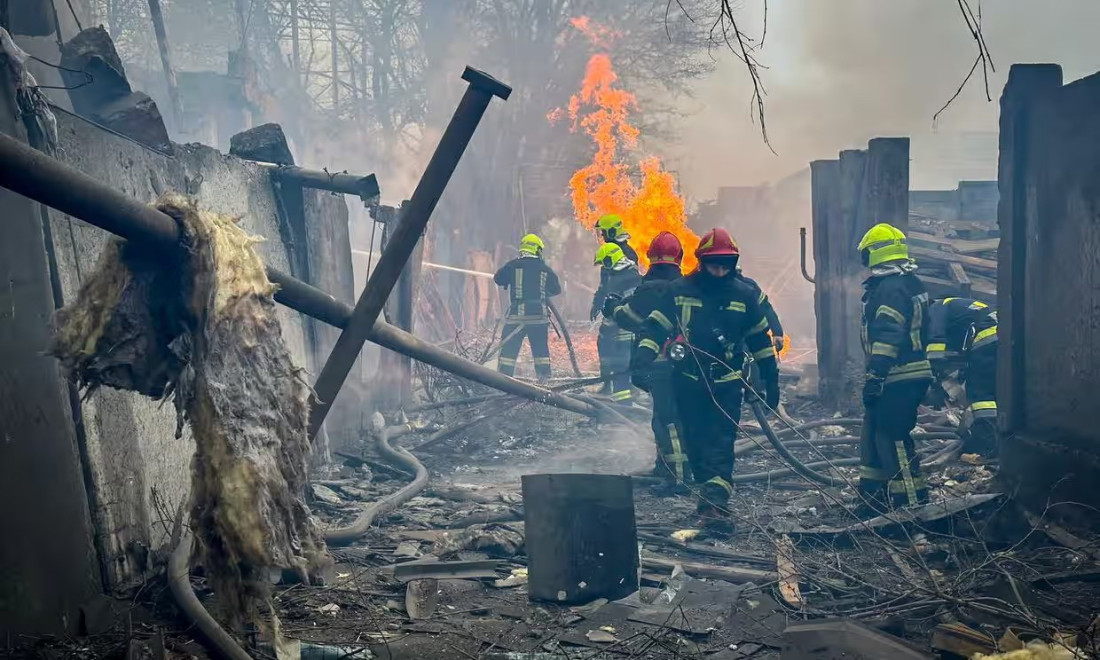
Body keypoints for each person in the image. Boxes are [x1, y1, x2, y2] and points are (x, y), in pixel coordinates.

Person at [632, 228, 780, 526]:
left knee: (721, 443)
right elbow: (656, 327)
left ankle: (715, 504)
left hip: (726, 384)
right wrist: (642, 357)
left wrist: (770, 379)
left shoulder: (744, 295)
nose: (720, 271)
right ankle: (708, 499)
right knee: (695, 444)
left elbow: (759, 341)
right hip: (687, 382)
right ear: (701, 261)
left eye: (726, 265)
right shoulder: (680, 290)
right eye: (714, 264)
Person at [856, 223, 934, 513]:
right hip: (900, 375)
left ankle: (912, 504)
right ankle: (873, 499)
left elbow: (889, 334)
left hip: (899, 374)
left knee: (894, 437)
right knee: (874, 433)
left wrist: (876, 374)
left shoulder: (891, 288)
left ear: (873, 253)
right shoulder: (907, 282)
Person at [605, 232, 689, 485]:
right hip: (687, 365)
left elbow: (630, 319)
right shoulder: (687, 288)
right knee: (669, 418)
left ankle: (678, 477)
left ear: (650, 258)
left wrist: (613, 308)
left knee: (667, 421)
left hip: (659, 364)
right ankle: (665, 467)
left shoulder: (648, 290)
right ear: (679, 257)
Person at [926, 297, 999, 456]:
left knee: (981, 397)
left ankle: (987, 444)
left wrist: (933, 370)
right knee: (998, 390)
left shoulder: (935, 308)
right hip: (1005, 337)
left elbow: (936, 341)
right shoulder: (960, 306)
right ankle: (1002, 439)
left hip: (986, 339)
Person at [493, 234, 561, 381]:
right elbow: (556, 289)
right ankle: (544, 380)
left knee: (508, 352)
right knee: (540, 351)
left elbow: (498, 279)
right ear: (538, 250)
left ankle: (503, 380)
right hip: (538, 318)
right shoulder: (545, 269)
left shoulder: (512, 266)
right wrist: (542, 291)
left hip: (516, 317)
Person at [591, 242, 642, 402]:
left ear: (611, 259)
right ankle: (607, 384)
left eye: (605, 262)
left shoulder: (631, 276)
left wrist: (619, 312)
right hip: (610, 325)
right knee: (604, 352)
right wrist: (596, 305)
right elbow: (603, 290)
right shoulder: (611, 273)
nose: (604, 267)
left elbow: (633, 303)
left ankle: (624, 400)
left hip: (623, 327)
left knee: (621, 362)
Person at [736, 267, 785, 354]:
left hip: (758, 339)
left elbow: (766, 307)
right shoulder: (713, 290)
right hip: (733, 343)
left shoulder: (750, 285)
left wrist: (777, 333)